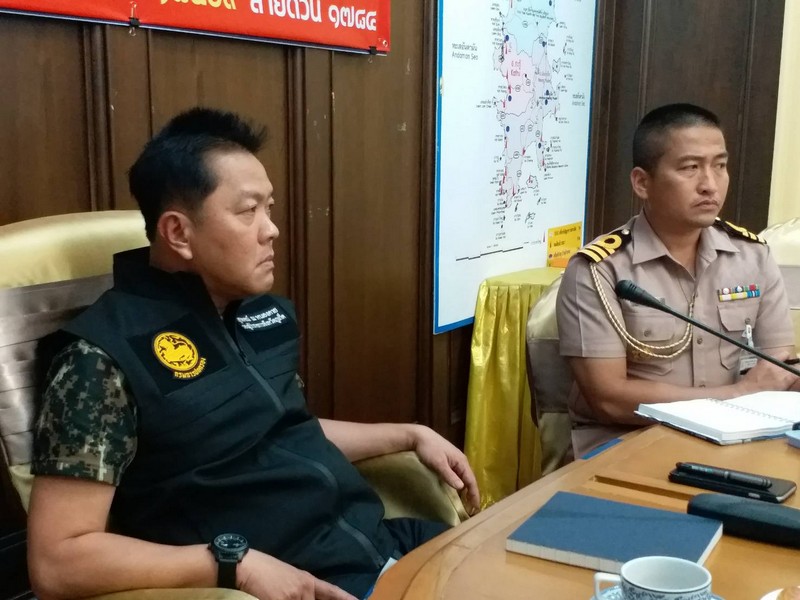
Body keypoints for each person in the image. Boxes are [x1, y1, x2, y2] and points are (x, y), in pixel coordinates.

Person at [27, 107, 480, 600]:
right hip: (305, 581)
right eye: (248, 211)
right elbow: (58, 560)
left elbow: (282, 431)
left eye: (270, 208)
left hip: (374, 543)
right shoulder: (99, 359)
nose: (271, 230)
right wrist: (232, 564)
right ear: (178, 232)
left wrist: (409, 434)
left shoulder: (258, 313)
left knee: (516, 560)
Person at [556, 103, 798, 456]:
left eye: (720, 166)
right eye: (690, 168)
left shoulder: (752, 256)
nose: (710, 185)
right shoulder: (600, 269)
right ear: (642, 182)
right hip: (628, 443)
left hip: (735, 437)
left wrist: (775, 387)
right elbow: (608, 399)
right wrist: (735, 395)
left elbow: (778, 370)